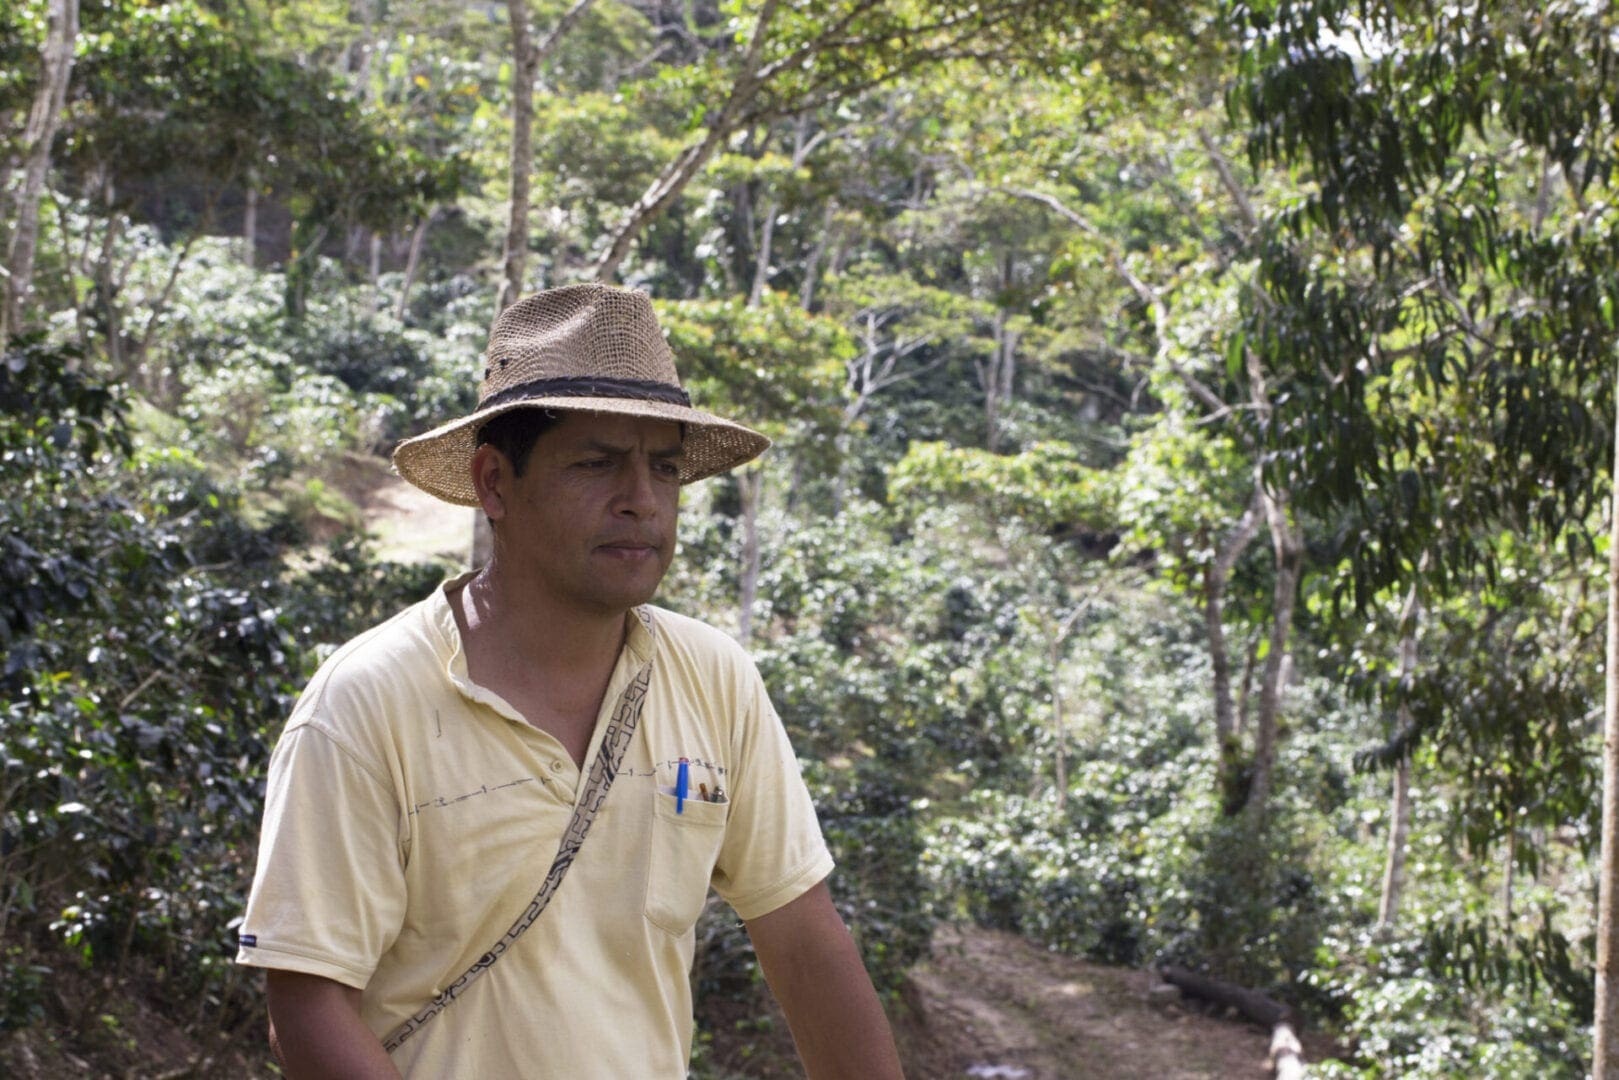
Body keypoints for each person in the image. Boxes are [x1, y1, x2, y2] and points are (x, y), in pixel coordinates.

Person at [236, 283, 905, 1078]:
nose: (641, 501)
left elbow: (802, 941)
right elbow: (307, 1001)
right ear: (494, 484)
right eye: (595, 464)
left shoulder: (712, 679)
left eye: (662, 469)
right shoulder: (367, 702)